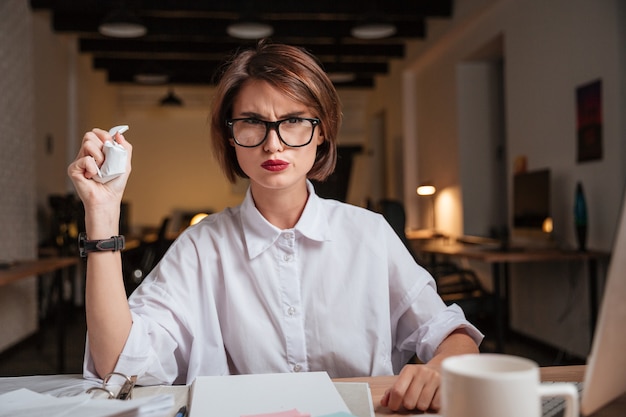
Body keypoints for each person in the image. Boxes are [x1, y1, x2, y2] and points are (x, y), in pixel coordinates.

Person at [67, 40, 483, 412]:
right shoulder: (201, 246)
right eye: (251, 122)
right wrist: (102, 215)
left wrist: (443, 368)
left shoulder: (369, 234)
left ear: (322, 131)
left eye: (295, 120)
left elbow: (449, 332)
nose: (273, 143)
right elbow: (117, 365)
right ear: (230, 137)